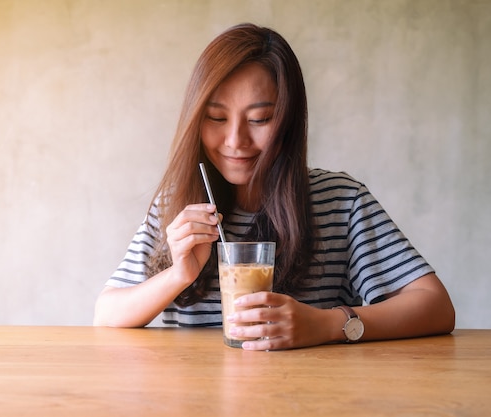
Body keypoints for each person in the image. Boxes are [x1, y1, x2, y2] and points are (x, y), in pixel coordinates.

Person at [93, 23, 455, 350]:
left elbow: (436, 306)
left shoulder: (340, 201)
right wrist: (179, 274)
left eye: (259, 119)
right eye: (216, 117)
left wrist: (327, 324)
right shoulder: (179, 206)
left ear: (288, 122)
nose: (235, 140)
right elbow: (106, 314)